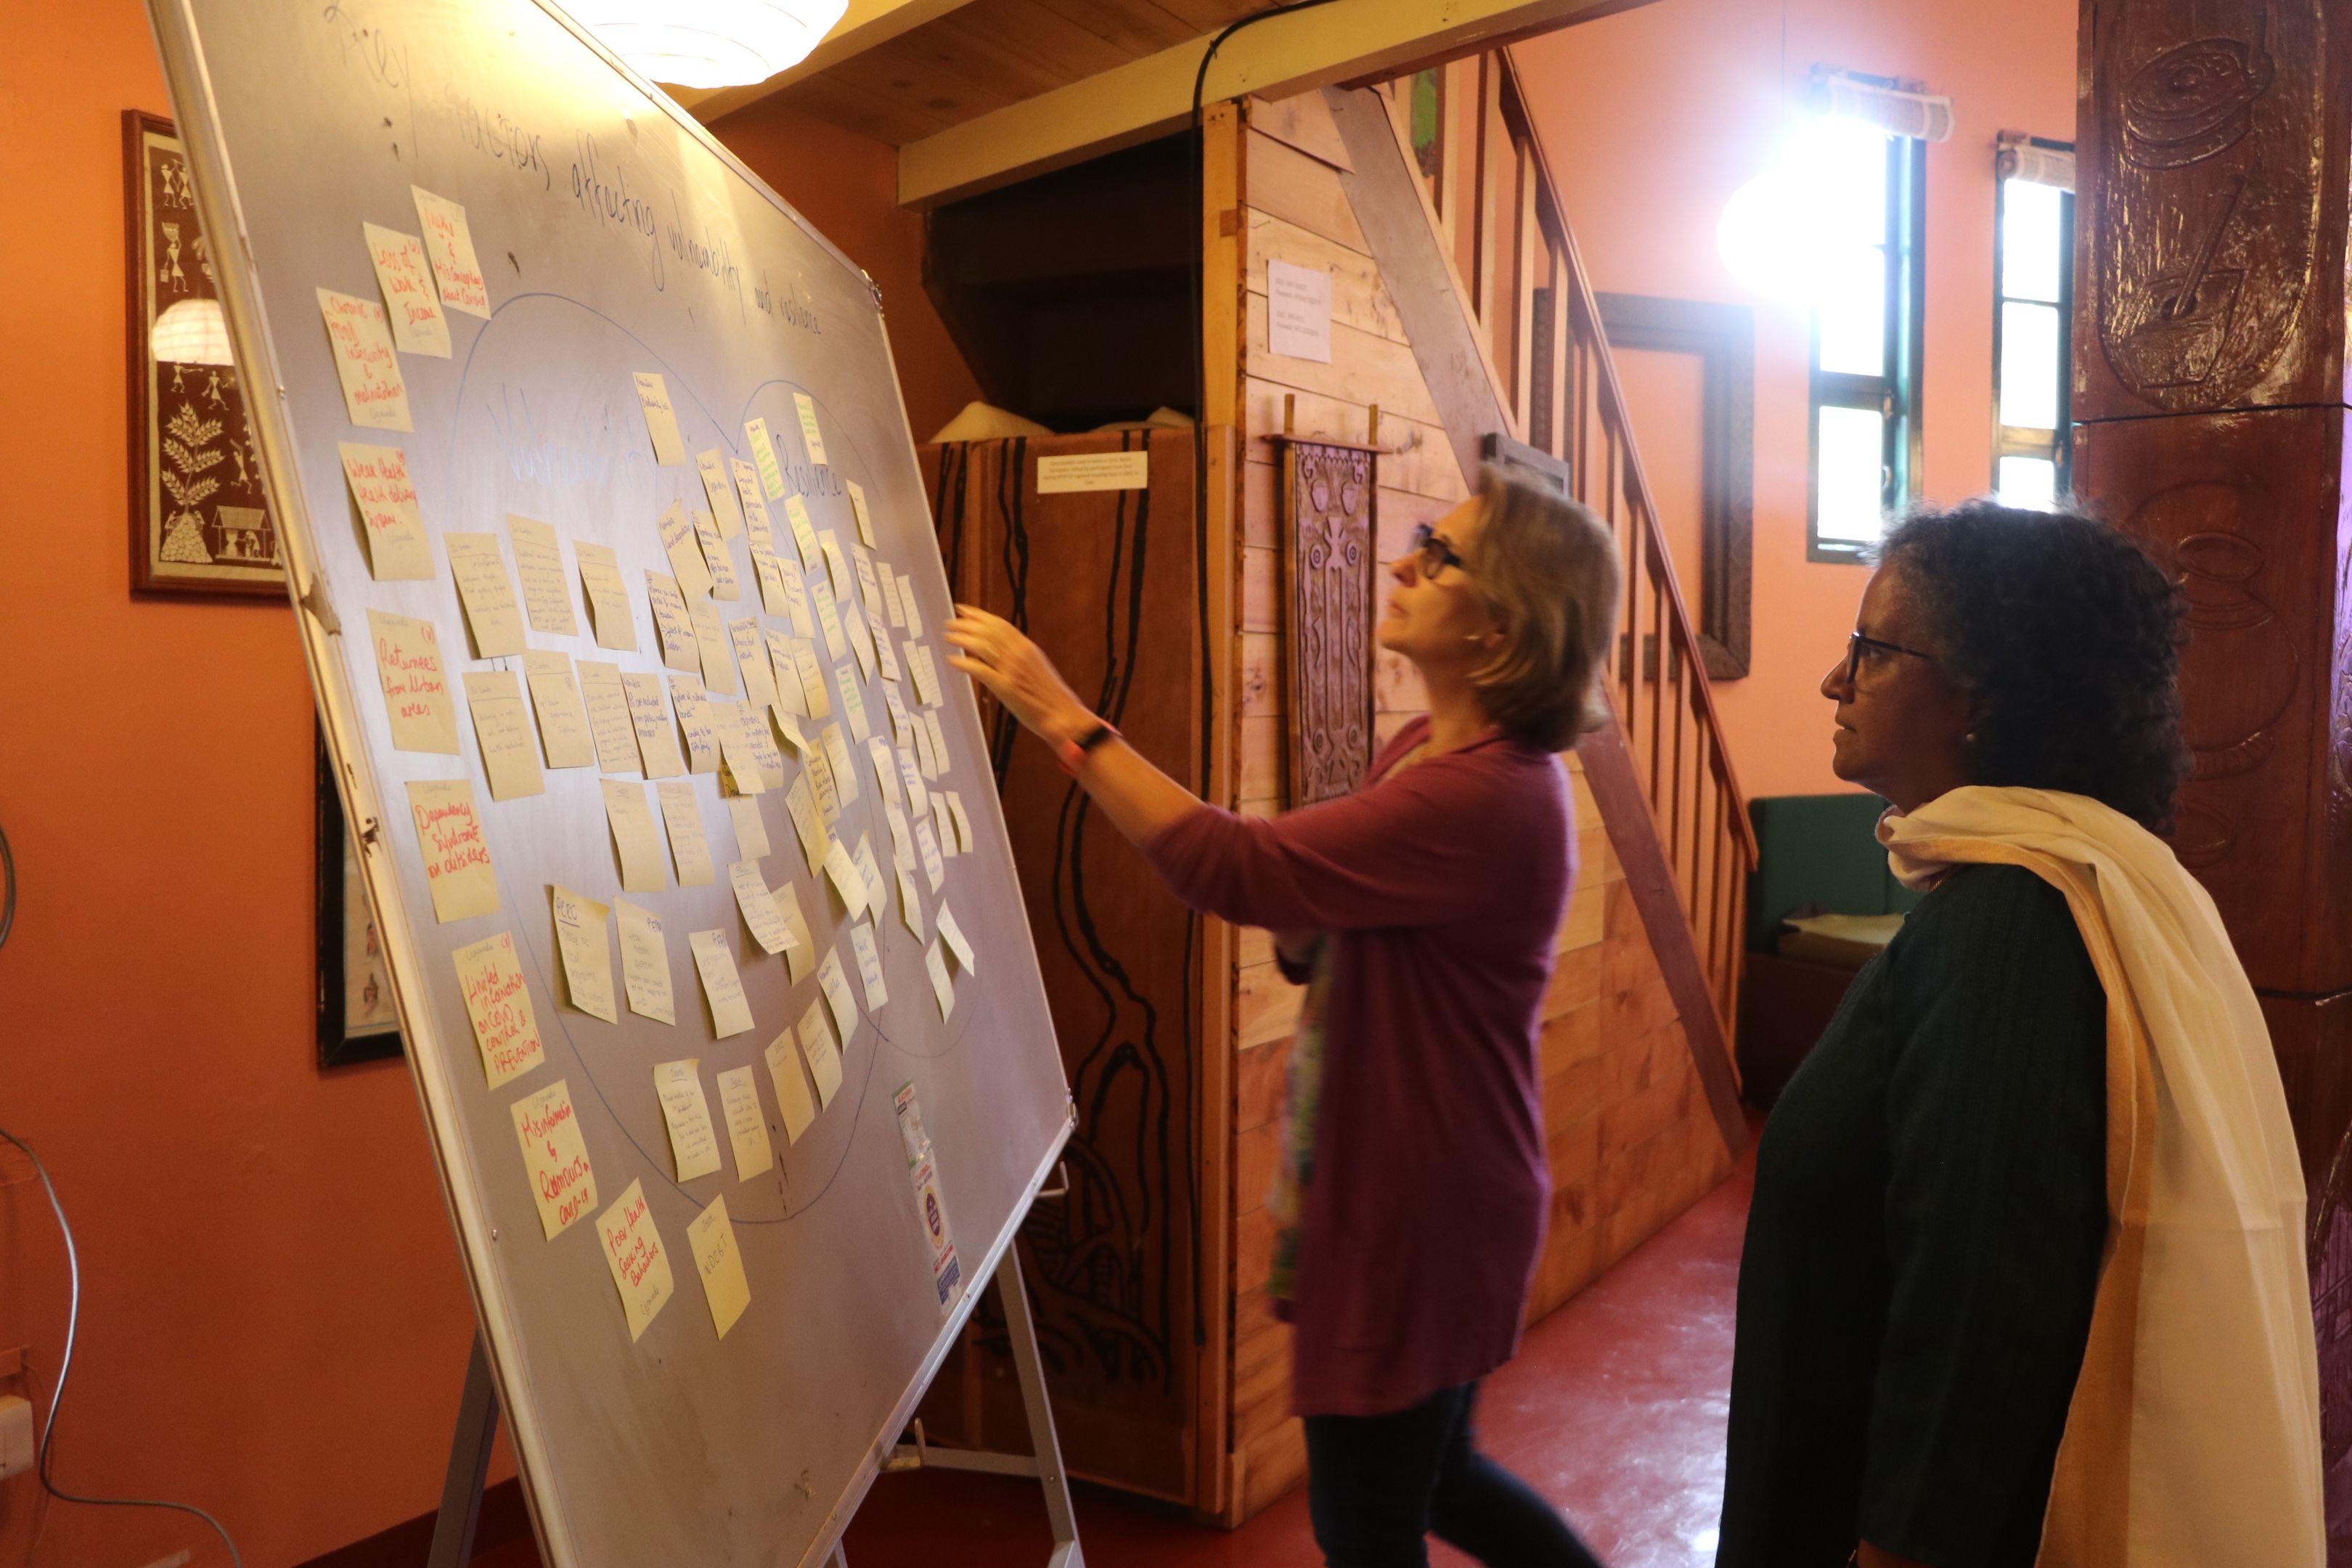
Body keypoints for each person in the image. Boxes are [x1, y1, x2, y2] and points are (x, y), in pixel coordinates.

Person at [944, 468, 1619, 1568]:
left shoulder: (1487, 793)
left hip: (1423, 1217)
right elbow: (1320, 913)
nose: (1402, 563)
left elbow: (1233, 865)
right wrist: (1311, 904)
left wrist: (1063, 718)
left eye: (1438, 556)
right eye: (1420, 538)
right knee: (1441, 1482)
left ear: (1500, 628)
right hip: (1436, 1195)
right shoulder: (1432, 753)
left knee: (1366, 1525)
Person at [1717, 499, 2322, 1568]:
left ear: (1981, 699)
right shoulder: (2068, 881)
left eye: (1872, 650)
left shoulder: (2007, 925)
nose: (1834, 679)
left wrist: (1901, 1546)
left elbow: (1984, 1303)